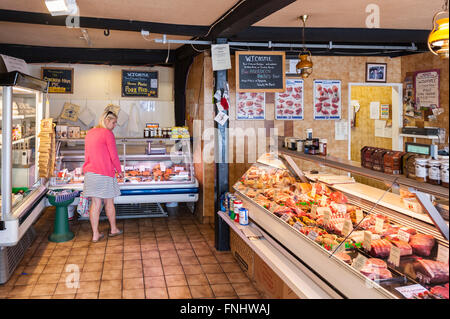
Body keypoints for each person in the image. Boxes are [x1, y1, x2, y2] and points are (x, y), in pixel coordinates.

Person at [82, 110, 124, 242]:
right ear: (106, 120)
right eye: (114, 122)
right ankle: (113, 229)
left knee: (95, 204)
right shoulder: (107, 133)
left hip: (90, 173)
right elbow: (114, 156)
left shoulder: (90, 132)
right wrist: (120, 171)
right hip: (105, 173)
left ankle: (95, 234)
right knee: (109, 202)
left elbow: (87, 154)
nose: (115, 125)